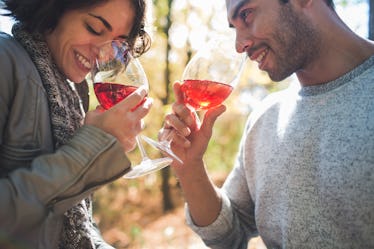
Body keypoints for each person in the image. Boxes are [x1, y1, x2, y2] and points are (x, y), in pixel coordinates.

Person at [160, 0, 374, 248]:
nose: (240, 46)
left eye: (246, 14)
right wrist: (191, 168)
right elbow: (230, 234)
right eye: (234, 28)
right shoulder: (264, 118)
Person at [0, 0, 152, 248]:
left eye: (117, 44)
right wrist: (91, 147)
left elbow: (73, 223)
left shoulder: (72, 94)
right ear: (55, 8)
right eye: (94, 28)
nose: (104, 54)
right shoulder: (4, 61)